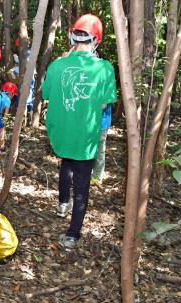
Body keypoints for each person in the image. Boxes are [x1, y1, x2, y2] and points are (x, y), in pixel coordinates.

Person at [41, 14, 117, 249]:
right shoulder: (104, 68)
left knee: (66, 164)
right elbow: (104, 104)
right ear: (96, 39)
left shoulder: (57, 65)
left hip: (62, 134)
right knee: (82, 183)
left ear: (73, 37)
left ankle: (63, 203)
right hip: (86, 136)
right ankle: (73, 234)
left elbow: (46, 94)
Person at [91, 104, 112, 184]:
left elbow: (103, 105)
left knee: (99, 151)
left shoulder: (106, 91)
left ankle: (96, 177)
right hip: (89, 124)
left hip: (101, 124)